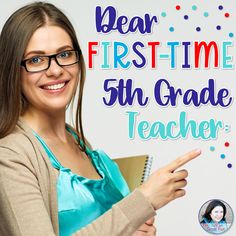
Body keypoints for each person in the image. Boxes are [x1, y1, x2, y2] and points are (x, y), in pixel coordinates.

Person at [0, 2, 201, 236]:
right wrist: (143, 200)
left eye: (64, 54)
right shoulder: (9, 155)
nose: (55, 70)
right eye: (36, 60)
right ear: (12, 70)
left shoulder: (77, 140)